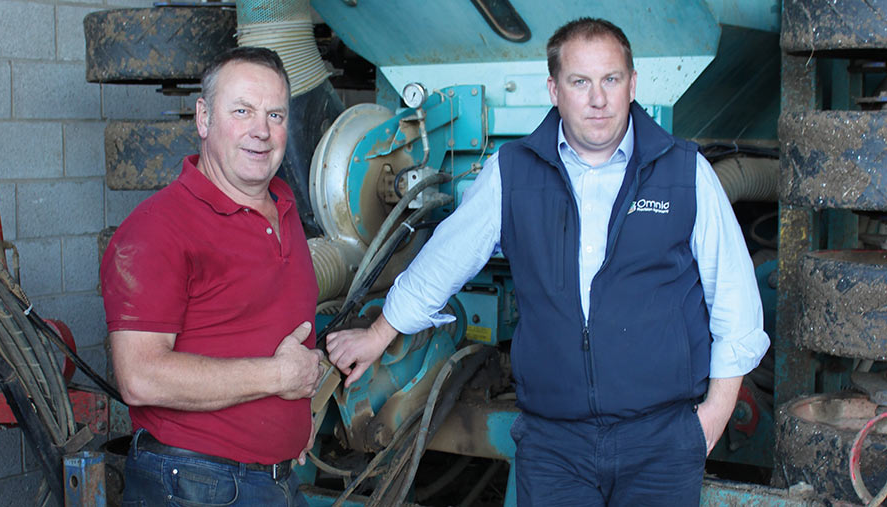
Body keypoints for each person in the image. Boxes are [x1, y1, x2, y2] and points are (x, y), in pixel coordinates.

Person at [326, 17, 770, 506]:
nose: (597, 99)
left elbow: (735, 299)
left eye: (611, 79)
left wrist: (714, 414)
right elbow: (441, 264)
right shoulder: (512, 172)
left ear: (632, 85)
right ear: (554, 89)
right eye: (580, 82)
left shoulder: (685, 172)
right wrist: (377, 334)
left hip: (659, 439)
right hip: (556, 444)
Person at [101, 46, 324, 506]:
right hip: (195, 484)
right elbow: (140, 377)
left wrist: (291, 420)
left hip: (273, 480)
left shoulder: (284, 208)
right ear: (203, 118)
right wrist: (278, 378)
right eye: (242, 111)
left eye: (275, 115)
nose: (261, 131)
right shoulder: (158, 228)